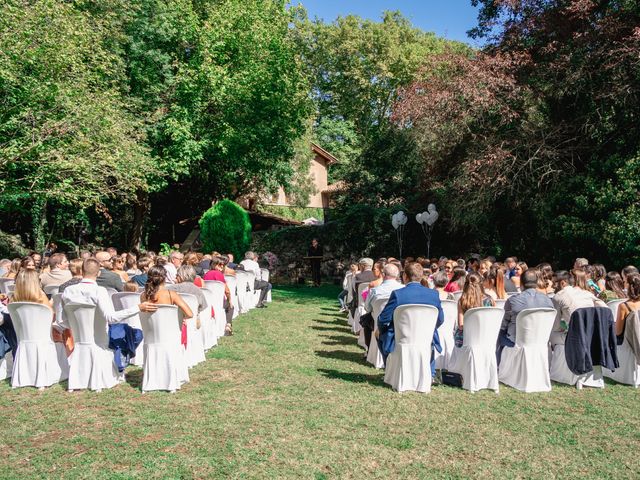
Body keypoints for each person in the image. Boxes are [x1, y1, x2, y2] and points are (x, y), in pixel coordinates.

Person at [378, 262, 444, 378]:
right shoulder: (433, 295)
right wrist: (427, 329)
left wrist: (384, 329)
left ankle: (389, 369)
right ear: (421, 276)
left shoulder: (398, 294)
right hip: (425, 337)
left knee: (378, 333)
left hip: (402, 337)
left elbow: (383, 319)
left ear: (405, 276)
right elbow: (440, 319)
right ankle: (430, 374)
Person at [61, 258, 158, 327]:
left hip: (77, 347)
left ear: (82, 271)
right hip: (101, 346)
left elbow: (63, 321)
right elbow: (111, 318)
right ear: (98, 273)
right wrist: (138, 307)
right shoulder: (99, 291)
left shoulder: (68, 290)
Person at [498, 270, 554, 359]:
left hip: (516, 343)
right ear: (536, 283)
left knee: (499, 334)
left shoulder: (513, 301)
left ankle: (498, 369)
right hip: (540, 342)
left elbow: (503, 326)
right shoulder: (548, 300)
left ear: (521, 283)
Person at [550, 269, 606, 346]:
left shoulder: (558, 297)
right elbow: (605, 309)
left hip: (575, 337)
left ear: (563, 283)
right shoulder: (586, 293)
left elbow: (556, 327)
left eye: (554, 283)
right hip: (593, 333)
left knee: (551, 335)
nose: (552, 286)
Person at [362, 264, 403, 348]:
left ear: (383, 274)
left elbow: (367, 308)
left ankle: (369, 348)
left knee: (366, 318)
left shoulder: (374, 291)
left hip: (378, 323)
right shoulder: (403, 289)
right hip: (399, 323)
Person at [455, 272, 495, 347]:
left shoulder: (462, 300)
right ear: (481, 284)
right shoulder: (489, 300)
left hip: (467, 339)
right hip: (486, 336)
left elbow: (461, 325)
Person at [202, 257, 235, 334]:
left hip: (209, 301)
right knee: (230, 307)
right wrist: (229, 300)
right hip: (219, 301)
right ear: (215, 265)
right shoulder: (219, 274)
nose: (222, 267)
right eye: (220, 265)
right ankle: (228, 325)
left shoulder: (206, 274)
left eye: (223, 265)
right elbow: (227, 291)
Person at [615, 274, 640, 345]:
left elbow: (618, 332)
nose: (623, 284)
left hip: (630, 346)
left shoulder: (624, 306)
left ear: (630, 286)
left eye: (625, 282)